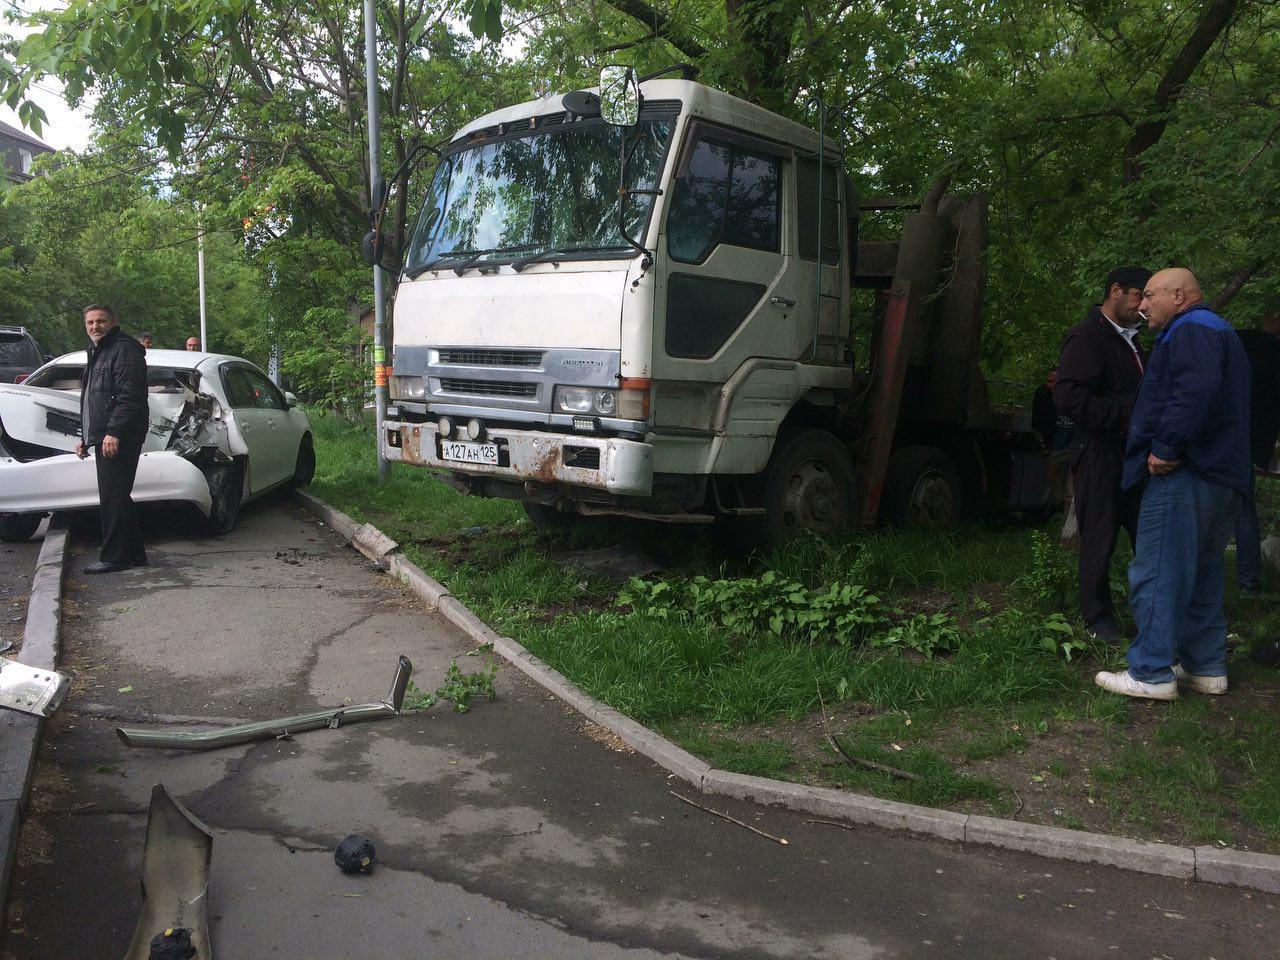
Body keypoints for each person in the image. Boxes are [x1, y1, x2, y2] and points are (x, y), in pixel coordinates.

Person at [1095, 268, 1252, 700]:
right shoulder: (1219, 329)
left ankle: (1150, 671)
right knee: (1203, 571)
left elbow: (1194, 391)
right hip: (1224, 474)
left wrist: (1165, 447)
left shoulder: (1193, 328)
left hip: (1187, 472)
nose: (1142, 305)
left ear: (1178, 296)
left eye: (1149, 296)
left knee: (1159, 569)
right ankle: (1205, 666)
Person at [1054, 266, 1151, 641]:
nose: (1143, 305)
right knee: (1100, 534)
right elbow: (1068, 397)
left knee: (1145, 533)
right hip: (1098, 453)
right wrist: (1125, 416)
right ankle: (1097, 619)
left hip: (1133, 454)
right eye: (1138, 295)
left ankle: (1149, 613)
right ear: (1115, 290)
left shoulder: (1132, 339)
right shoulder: (1087, 336)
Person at [75, 304, 150, 574]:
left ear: (113, 322)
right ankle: (134, 554)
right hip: (106, 433)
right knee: (117, 495)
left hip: (122, 435)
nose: (95, 326)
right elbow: (93, 398)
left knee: (113, 497)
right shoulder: (99, 351)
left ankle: (115, 557)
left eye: (101, 321)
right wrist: (85, 435)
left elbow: (130, 396)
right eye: (90, 322)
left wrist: (114, 432)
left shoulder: (124, 349)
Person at [1233, 314, 1280, 594]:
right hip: (1251, 440)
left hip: (1225, 434)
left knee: (1238, 508)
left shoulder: (1243, 340)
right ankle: (1248, 583)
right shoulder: (1266, 350)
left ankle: (1245, 583)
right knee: (1242, 508)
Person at [1033, 364, 1073, 507]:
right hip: (1055, 447)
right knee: (1054, 485)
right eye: (1048, 381)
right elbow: (1037, 422)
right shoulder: (1042, 395)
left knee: (1071, 489)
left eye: (1053, 382)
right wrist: (1043, 444)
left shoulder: (1073, 395)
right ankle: (1055, 509)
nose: (1050, 385)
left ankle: (1066, 518)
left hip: (1073, 448)